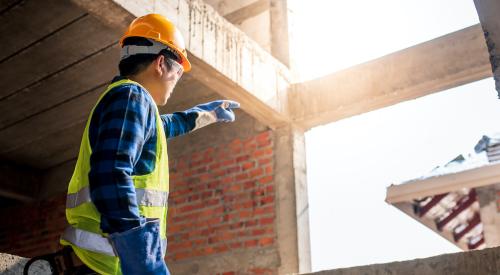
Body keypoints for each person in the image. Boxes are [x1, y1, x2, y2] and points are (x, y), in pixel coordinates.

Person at [59, 13, 240, 274]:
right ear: (160, 63)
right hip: (100, 266)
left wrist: (206, 115)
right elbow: (110, 173)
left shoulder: (127, 100)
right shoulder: (132, 96)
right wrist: (141, 257)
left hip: (104, 265)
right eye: (178, 71)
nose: (177, 80)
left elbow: (163, 126)